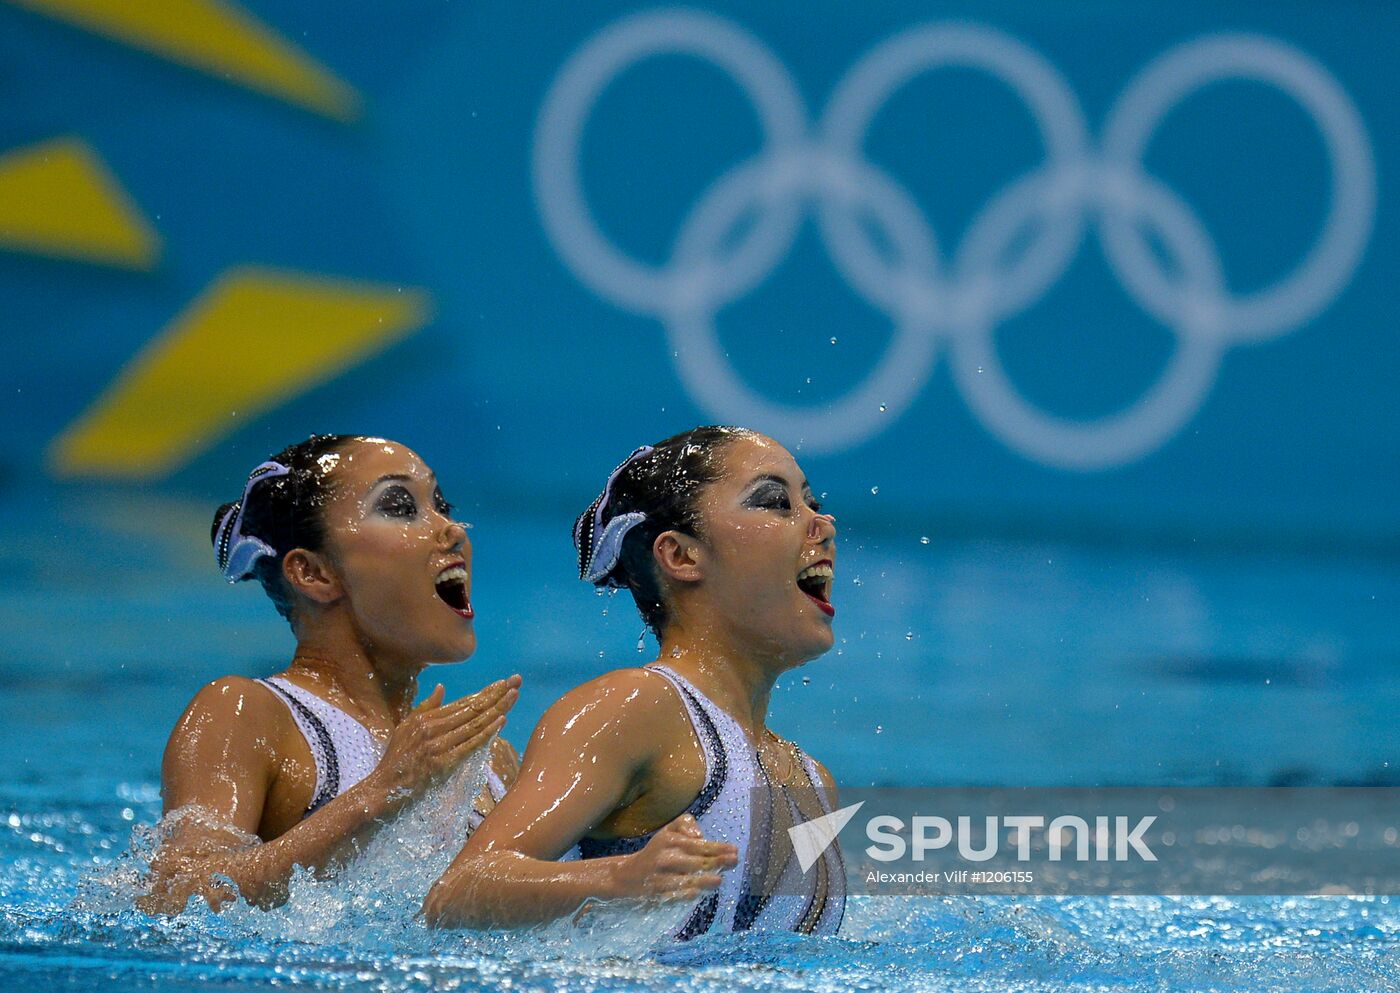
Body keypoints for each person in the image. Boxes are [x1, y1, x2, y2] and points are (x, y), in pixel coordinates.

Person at [425, 426, 845, 939]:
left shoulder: (812, 780)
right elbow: (458, 893)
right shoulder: (634, 708)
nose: (822, 524)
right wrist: (617, 878)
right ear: (682, 556)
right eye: (776, 502)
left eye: (813, 503)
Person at [141, 434, 521, 914]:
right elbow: (175, 899)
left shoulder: (486, 759)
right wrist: (385, 792)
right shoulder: (248, 716)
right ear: (314, 574)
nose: (452, 530)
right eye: (401, 506)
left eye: (441, 505)